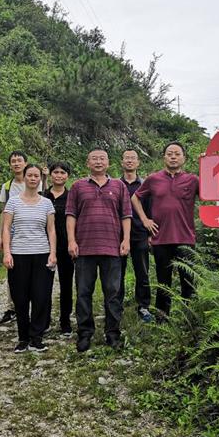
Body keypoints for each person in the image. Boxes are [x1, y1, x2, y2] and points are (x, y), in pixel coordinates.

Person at [66, 149, 131, 352]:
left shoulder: (119, 186)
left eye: (102, 158)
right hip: (84, 249)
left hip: (112, 248)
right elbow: (71, 215)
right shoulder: (77, 187)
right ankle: (85, 334)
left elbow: (126, 216)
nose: (98, 161)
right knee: (84, 293)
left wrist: (126, 240)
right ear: (87, 163)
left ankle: (113, 334)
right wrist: (71, 241)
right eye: (94, 158)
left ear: (108, 163)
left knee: (113, 294)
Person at [132, 141, 199, 317]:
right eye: (170, 154)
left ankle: (188, 318)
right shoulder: (153, 179)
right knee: (163, 282)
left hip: (186, 238)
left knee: (188, 282)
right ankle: (163, 319)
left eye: (177, 154)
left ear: (184, 158)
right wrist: (145, 219)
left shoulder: (192, 180)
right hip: (160, 238)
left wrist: (206, 166)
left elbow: (212, 192)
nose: (173, 157)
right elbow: (135, 198)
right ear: (164, 158)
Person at [2, 164, 56, 353]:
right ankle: (23, 338)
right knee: (20, 297)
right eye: (30, 175)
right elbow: (6, 228)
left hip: (41, 253)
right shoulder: (13, 202)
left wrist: (53, 252)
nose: (33, 179)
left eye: (36, 176)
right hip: (18, 254)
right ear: (24, 178)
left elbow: (51, 230)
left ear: (40, 179)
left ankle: (37, 337)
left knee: (41, 296)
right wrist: (7, 252)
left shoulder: (46, 203)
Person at [119, 150, 153, 323]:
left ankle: (143, 306)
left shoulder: (145, 185)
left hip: (140, 233)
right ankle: (116, 305)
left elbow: (150, 209)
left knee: (142, 272)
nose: (130, 161)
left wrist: (150, 234)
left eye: (133, 158)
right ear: (122, 162)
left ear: (138, 163)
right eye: (127, 158)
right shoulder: (116, 184)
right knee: (118, 272)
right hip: (119, 236)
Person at [43, 161, 75, 337]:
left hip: (66, 246)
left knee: (66, 284)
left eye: (63, 172)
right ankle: (44, 320)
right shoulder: (42, 196)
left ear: (67, 176)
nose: (59, 175)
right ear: (50, 175)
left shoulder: (72, 197)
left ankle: (65, 321)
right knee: (44, 285)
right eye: (56, 172)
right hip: (44, 246)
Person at [0, 151, 28, 325]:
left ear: (26, 163)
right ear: (10, 165)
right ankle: (12, 306)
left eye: (19, 161)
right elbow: (4, 212)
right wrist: (1, 234)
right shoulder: (7, 186)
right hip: (13, 232)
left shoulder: (35, 181)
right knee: (12, 269)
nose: (16, 164)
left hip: (31, 231)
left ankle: (29, 305)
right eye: (13, 161)